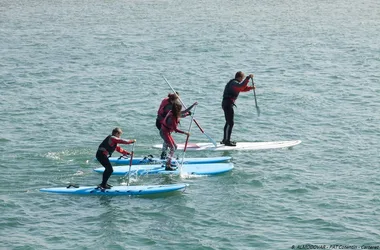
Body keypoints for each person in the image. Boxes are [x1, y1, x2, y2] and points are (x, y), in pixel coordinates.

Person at [156, 92, 197, 159]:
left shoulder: (172, 106)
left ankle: (167, 157)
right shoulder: (169, 109)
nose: (178, 101)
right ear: (172, 100)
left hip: (165, 126)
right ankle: (164, 156)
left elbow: (181, 112)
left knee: (171, 144)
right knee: (168, 142)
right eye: (176, 99)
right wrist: (185, 132)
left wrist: (192, 106)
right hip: (161, 124)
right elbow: (177, 119)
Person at [221, 71, 255, 146]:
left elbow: (241, 88)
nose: (242, 80)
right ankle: (227, 141)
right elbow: (241, 86)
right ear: (239, 78)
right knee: (230, 122)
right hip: (228, 104)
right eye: (242, 78)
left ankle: (225, 140)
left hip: (226, 103)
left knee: (228, 122)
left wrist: (250, 88)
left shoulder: (234, 84)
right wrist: (248, 78)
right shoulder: (234, 83)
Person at [160, 101, 193, 170]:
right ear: (177, 109)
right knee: (172, 148)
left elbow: (184, 112)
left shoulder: (173, 112)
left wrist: (193, 105)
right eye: (180, 109)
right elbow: (175, 130)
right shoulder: (172, 117)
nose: (181, 110)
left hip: (167, 133)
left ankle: (168, 161)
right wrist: (185, 133)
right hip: (164, 132)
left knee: (175, 146)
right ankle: (167, 165)